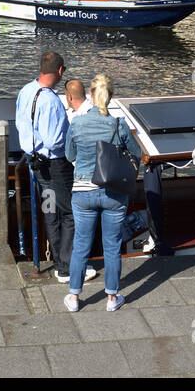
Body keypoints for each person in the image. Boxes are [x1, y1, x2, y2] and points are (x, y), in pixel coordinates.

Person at [16, 52, 94, 284]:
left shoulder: (26, 90)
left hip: (36, 164)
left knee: (50, 211)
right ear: (60, 71)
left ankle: (60, 262)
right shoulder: (50, 100)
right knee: (69, 212)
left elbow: (22, 124)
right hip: (55, 166)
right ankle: (67, 267)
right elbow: (53, 140)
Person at [63, 74, 136, 312]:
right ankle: (112, 299)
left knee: (81, 244)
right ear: (111, 96)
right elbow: (136, 155)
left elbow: (69, 155)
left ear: (91, 96)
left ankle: (74, 297)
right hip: (113, 192)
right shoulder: (118, 124)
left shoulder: (77, 123)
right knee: (112, 246)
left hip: (83, 192)